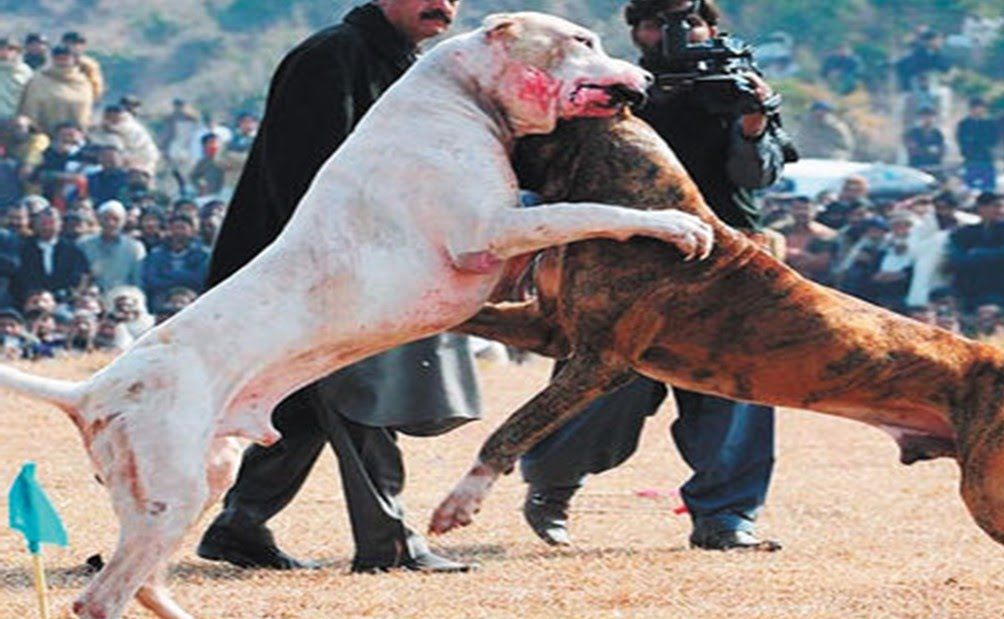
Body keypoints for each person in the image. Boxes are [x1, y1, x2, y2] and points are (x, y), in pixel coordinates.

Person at [197, 0, 479, 574]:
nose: (443, 4)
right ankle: (391, 539)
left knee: (306, 404)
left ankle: (241, 525)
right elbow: (306, 177)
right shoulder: (331, 56)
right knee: (359, 393)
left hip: (355, 265)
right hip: (311, 270)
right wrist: (344, 265)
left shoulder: (406, 64)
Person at [519, 0, 787, 551]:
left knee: (736, 384)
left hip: (726, 257)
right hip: (627, 256)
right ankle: (552, 483)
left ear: (711, 28)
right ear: (635, 32)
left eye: (686, 22)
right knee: (606, 382)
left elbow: (754, 176)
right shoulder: (609, 84)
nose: (670, 35)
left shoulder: (735, 85)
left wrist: (753, 121)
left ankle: (726, 518)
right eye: (653, 22)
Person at [956, 96, 999, 191]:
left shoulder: (990, 123)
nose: (978, 110)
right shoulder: (964, 124)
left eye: (981, 107)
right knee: (970, 188)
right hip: (971, 159)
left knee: (988, 188)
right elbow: (962, 141)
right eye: (975, 107)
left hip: (987, 158)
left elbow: (994, 140)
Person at [0, 37, 34, 120]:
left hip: (17, 118)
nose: (5, 52)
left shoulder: (25, 71)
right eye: (2, 48)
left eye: (11, 49)